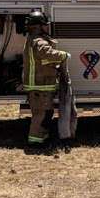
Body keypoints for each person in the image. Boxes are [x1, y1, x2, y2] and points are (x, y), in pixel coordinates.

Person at [22, 10, 69, 147]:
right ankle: (36, 142)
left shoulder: (33, 40)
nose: (47, 27)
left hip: (40, 86)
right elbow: (48, 54)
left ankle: (43, 136)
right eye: (44, 25)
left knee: (45, 114)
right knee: (41, 115)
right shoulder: (39, 42)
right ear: (38, 26)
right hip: (40, 86)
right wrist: (63, 55)